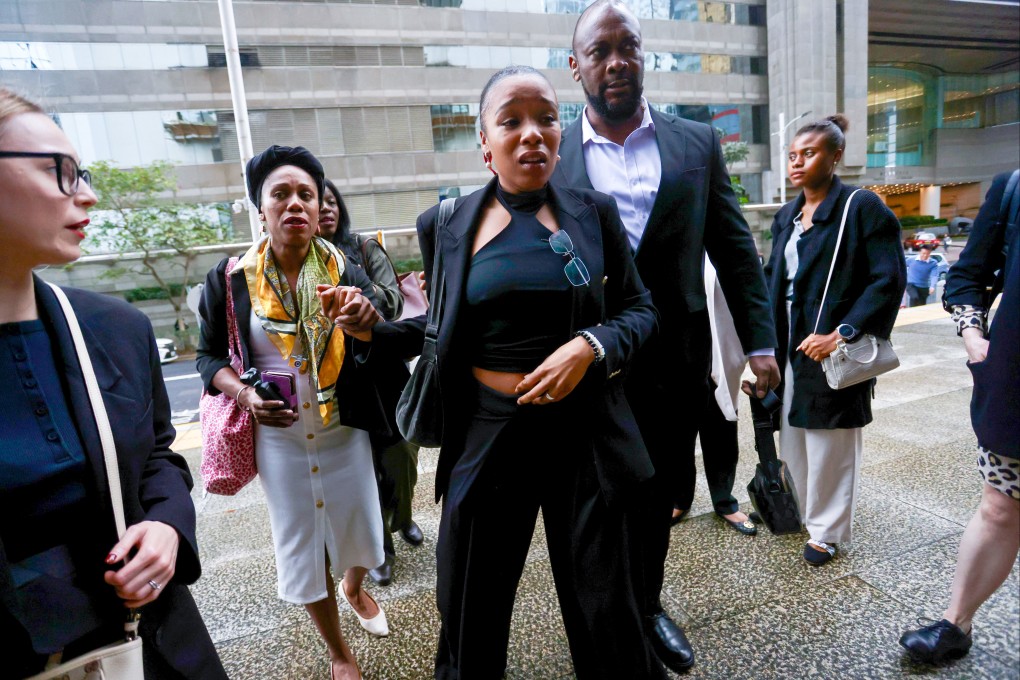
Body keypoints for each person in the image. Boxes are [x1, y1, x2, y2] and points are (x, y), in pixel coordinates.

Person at [323, 65, 663, 680]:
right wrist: (370, 330)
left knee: (605, 605)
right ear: (485, 142)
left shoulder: (594, 213)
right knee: (470, 603)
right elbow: (440, 332)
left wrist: (589, 346)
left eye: (546, 118)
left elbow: (641, 309)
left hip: (585, 431)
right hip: (487, 430)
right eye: (511, 121)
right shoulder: (445, 224)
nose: (532, 133)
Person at [551, 1, 780, 672]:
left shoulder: (696, 144)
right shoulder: (552, 154)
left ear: (644, 55)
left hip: (675, 362)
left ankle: (647, 604)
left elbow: (735, 250)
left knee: (659, 496)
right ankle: (605, 614)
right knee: (595, 501)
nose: (616, 62)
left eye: (628, 47)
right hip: (589, 364)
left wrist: (761, 342)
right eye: (599, 51)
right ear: (575, 66)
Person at [0, 87, 226, 679]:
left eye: (83, 173)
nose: (87, 194)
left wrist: (168, 525)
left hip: (155, 648)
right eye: (59, 172)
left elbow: (156, 456)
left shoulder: (115, 328)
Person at [196, 145, 390, 680]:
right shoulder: (232, 278)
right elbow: (208, 358)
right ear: (261, 208)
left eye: (306, 193)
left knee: (359, 529)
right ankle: (339, 653)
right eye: (280, 194)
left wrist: (366, 319)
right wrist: (245, 396)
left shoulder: (343, 266)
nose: (295, 203)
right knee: (304, 549)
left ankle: (353, 587)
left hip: (343, 429)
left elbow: (381, 335)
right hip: (278, 441)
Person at [762, 114, 906, 567]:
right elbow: (771, 281)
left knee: (832, 441)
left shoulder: (861, 207)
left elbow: (887, 280)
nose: (797, 162)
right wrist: (762, 349)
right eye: (792, 155)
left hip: (831, 347)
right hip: (789, 343)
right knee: (793, 435)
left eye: (809, 153)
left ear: (836, 156)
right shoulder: (786, 216)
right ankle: (805, 510)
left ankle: (827, 531)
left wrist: (842, 333)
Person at [899, 169, 1020, 664]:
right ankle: (956, 624)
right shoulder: (1013, 187)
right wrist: (974, 337)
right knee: (1000, 506)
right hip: (1015, 379)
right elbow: (968, 274)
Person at [318, 178, 423, 587]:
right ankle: (381, 548)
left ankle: (404, 515)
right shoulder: (300, 262)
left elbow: (393, 302)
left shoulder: (362, 249)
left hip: (382, 369)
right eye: (317, 202)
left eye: (331, 202)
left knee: (401, 459)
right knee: (362, 471)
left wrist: (355, 289)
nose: (325, 209)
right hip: (338, 381)